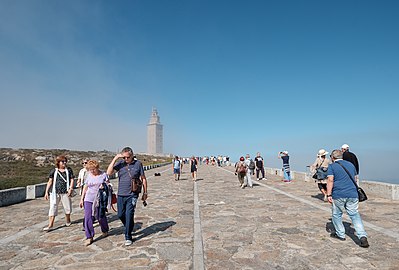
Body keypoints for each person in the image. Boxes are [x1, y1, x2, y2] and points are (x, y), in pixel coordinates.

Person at [326, 149, 369, 248]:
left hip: (339, 194)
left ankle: (340, 234)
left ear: (332, 157)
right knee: (354, 215)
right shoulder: (351, 165)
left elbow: (330, 180)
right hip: (352, 194)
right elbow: (355, 179)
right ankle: (362, 236)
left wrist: (329, 194)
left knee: (337, 214)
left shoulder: (332, 166)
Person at [106, 147, 148, 246]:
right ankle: (129, 225)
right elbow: (108, 173)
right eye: (124, 157)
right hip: (121, 194)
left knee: (129, 214)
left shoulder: (138, 164)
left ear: (132, 155)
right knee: (120, 214)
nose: (126, 159)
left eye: (128, 157)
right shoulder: (120, 164)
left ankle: (128, 236)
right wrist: (115, 158)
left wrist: (145, 193)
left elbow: (144, 178)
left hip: (132, 194)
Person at [79, 160, 110, 246]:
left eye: (93, 169)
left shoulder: (103, 175)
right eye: (90, 169)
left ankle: (105, 229)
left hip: (99, 199)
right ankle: (89, 236)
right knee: (88, 217)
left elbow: (109, 186)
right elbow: (85, 187)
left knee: (100, 216)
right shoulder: (88, 175)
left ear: (97, 168)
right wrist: (82, 199)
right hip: (88, 198)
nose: (92, 171)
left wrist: (104, 186)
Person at [43, 155, 75, 231]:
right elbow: (50, 181)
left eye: (65, 161)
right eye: (62, 161)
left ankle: (68, 219)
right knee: (53, 208)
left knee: (67, 207)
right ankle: (50, 225)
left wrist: (70, 188)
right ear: (58, 162)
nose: (64, 163)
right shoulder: (54, 171)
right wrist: (46, 192)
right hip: (55, 192)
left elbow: (72, 179)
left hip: (65, 192)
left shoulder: (69, 170)